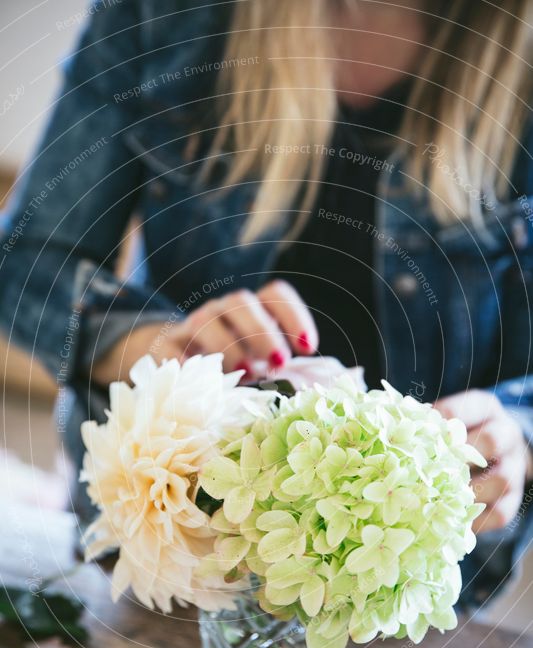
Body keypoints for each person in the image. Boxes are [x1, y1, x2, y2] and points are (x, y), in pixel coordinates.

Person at [0, 0, 532, 607]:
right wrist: (161, 349)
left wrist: (517, 429)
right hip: (170, 548)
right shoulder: (161, 17)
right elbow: (27, 263)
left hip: (416, 583)